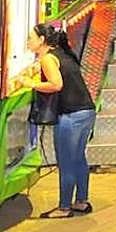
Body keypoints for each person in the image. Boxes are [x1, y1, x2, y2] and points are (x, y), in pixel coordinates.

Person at [18, 24, 96, 218]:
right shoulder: (61, 53)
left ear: (42, 40)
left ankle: (64, 207)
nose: (28, 42)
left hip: (71, 115)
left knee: (67, 161)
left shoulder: (47, 58)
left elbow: (56, 84)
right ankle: (81, 201)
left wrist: (31, 83)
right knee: (78, 158)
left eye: (31, 38)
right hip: (86, 111)